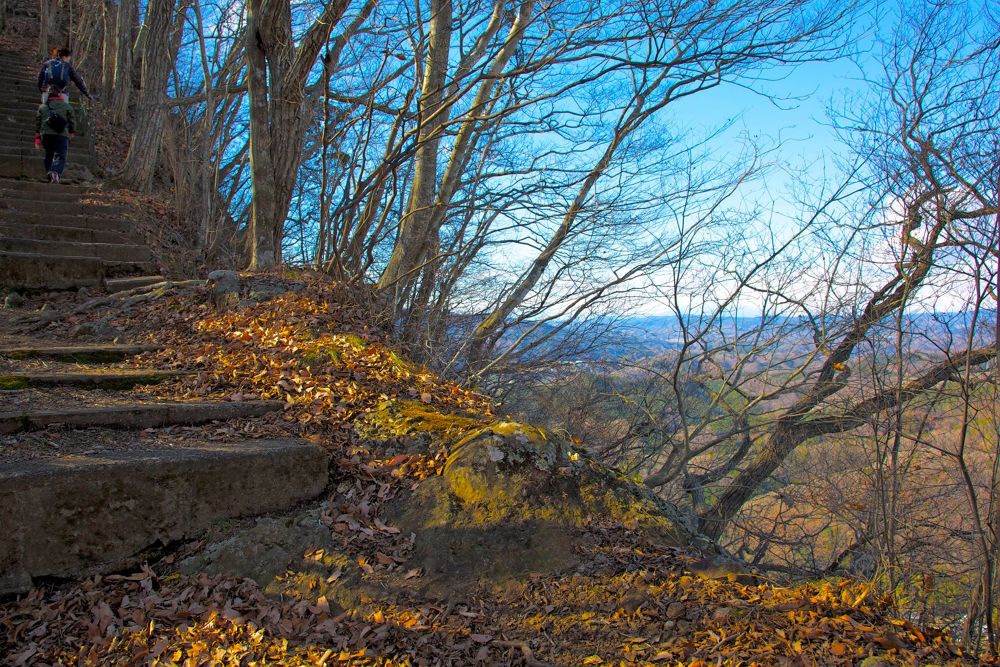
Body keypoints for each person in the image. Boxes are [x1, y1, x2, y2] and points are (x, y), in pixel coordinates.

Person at [34, 86, 76, 184]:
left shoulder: (42, 107)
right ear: (59, 94)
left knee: (48, 155)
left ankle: (50, 175)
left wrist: (37, 137)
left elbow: (38, 122)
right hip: (61, 135)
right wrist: (72, 132)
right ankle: (55, 172)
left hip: (46, 135)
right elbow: (72, 121)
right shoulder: (66, 106)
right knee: (61, 156)